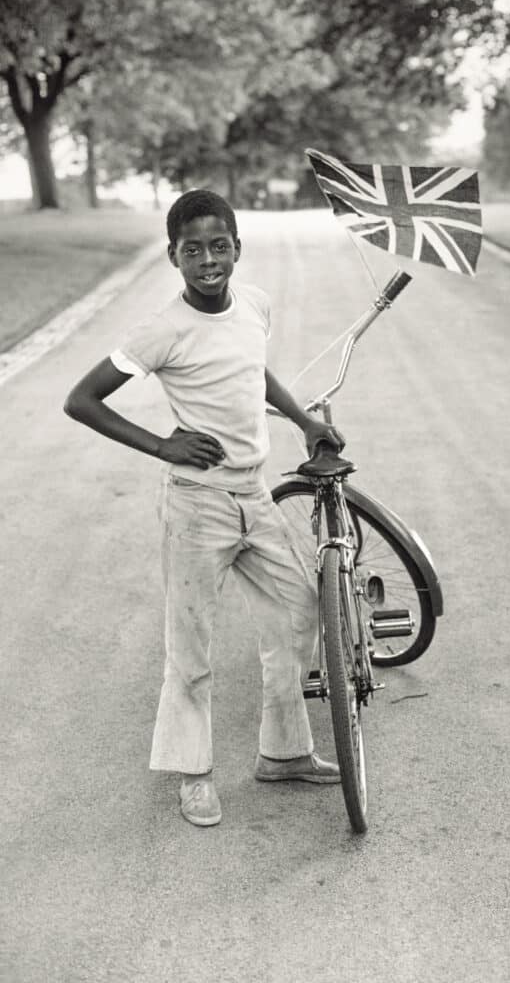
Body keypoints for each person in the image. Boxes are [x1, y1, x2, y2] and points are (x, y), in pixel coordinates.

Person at [64, 189, 345, 827]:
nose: (209, 260)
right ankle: (194, 774)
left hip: (254, 493)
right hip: (198, 505)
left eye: (220, 246)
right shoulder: (161, 330)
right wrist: (163, 444)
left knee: (301, 610)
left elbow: (254, 370)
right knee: (191, 644)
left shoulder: (254, 305)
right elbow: (82, 400)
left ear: (237, 249)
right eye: (194, 250)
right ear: (174, 257)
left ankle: (284, 753)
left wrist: (303, 420)